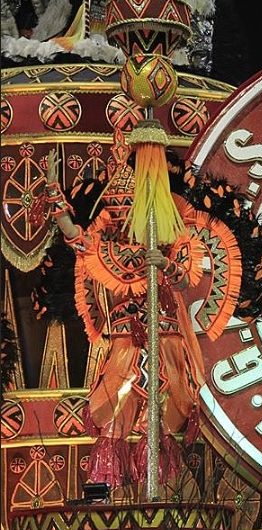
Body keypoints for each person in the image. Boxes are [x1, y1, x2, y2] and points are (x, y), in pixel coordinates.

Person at [46, 134, 205, 489]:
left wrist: (162, 262)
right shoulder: (110, 250)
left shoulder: (168, 235)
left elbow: (186, 274)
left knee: (166, 406)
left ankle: (163, 486)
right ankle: (111, 486)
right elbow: (80, 240)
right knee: (116, 402)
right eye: (117, 214)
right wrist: (57, 201)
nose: (121, 218)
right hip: (125, 336)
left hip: (164, 335)